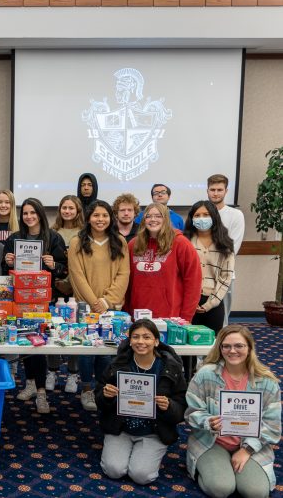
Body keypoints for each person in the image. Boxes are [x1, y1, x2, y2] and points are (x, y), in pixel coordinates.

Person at [185, 325, 281, 498]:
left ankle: (231, 469)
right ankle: (203, 468)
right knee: (220, 489)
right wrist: (207, 421)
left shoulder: (267, 381)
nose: (232, 351)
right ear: (220, 348)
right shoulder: (205, 374)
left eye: (239, 346)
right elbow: (191, 412)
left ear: (249, 348)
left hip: (252, 444)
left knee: (256, 493)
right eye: (226, 346)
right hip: (212, 442)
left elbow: (272, 426)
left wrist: (247, 450)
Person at [95, 319, 187, 485]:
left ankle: (146, 455)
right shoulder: (117, 364)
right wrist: (106, 395)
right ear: (129, 341)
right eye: (135, 337)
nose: (141, 342)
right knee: (114, 470)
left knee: (141, 476)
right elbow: (99, 400)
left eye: (147, 337)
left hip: (154, 430)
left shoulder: (170, 368)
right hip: (120, 427)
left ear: (156, 341)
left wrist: (169, 406)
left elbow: (182, 406)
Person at [2, 198, 67, 413]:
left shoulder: (54, 238)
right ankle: (29, 382)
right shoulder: (14, 238)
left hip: (42, 301)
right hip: (20, 301)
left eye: (33, 213)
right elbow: (5, 271)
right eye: (25, 213)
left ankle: (41, 392)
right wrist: (8, 262)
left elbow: (64, 270)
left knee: (38, 344)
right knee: (24, 342)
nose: (29, 217)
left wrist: (53, 265)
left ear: (40, 214)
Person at [68, 200, 130, 411]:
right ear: (88, 218)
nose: (100, 219)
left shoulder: (120, 241)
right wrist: (94, 303)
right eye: (96, 215)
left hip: (111, 308)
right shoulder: (77, 241)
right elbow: (77, 275)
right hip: (86, 307)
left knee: (106, 350)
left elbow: (124, 274)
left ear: (110, 218)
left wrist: (106, 301)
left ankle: (102, 390)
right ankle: (86, 389)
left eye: (104, 215)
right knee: (87, 350)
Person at [125, 203, 201, 321]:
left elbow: (193, 284)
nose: (153, 219)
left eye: (158, 216)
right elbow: (126, 283)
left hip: (170, 318)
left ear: (165, 218)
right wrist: (127, 313)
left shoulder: (181, 243)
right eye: (148, 216)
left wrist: (186, 318)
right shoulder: (133, 245)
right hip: (137, 316)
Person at [48, 194, 85, 392]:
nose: (67, 211)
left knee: (75, 330)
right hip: (56, 288)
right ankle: (52, 370)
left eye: (71, 208)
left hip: (77, 289)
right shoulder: (53, 232)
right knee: (54, 328)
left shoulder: (84, 233)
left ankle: (72, 373)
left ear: (78, 210)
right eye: (64, 208)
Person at [183, 201, 235, 335]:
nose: (201, 218)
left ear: (214, 217)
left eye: (206, 215)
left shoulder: (225, 244)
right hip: (187, 301)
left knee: (212, 347)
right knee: (187, 347)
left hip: (214, 301)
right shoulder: (184, 241)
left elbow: (226, 277)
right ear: (191, 218)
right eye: (197, 215)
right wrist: (190, 302)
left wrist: (210, 304)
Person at [207, 174, 245, 323]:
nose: (215, 193)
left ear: (226, 191)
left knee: (222, 319)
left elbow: (233, 248)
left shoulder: (235, 215)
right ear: (207, 190)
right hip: (202, 274)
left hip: (224, 273)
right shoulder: (201, 213)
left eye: (219, 189)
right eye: (212, 189)